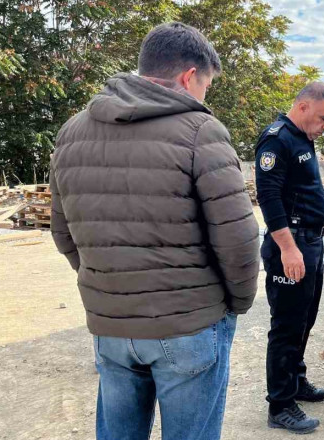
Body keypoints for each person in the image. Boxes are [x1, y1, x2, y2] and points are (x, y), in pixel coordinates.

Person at [50, 22, 259, 440]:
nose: (205, 96)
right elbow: (238, 240)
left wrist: (111, 286)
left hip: (111, 325)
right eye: (206, 85)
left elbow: (62, 232)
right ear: (188, 76)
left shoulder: (72, 132)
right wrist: (235, 303)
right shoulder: (201, 131)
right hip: (188, 324)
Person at [255, 81, 324, 434]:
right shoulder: (277, 139)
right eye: (323, 118)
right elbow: (268, 197)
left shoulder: (303, 136)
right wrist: (289, 249)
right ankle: (281, 404)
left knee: (306, 318)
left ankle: (296, 381)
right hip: (291, 245)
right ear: (303, 106)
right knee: (287, 324)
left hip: (311, 243)